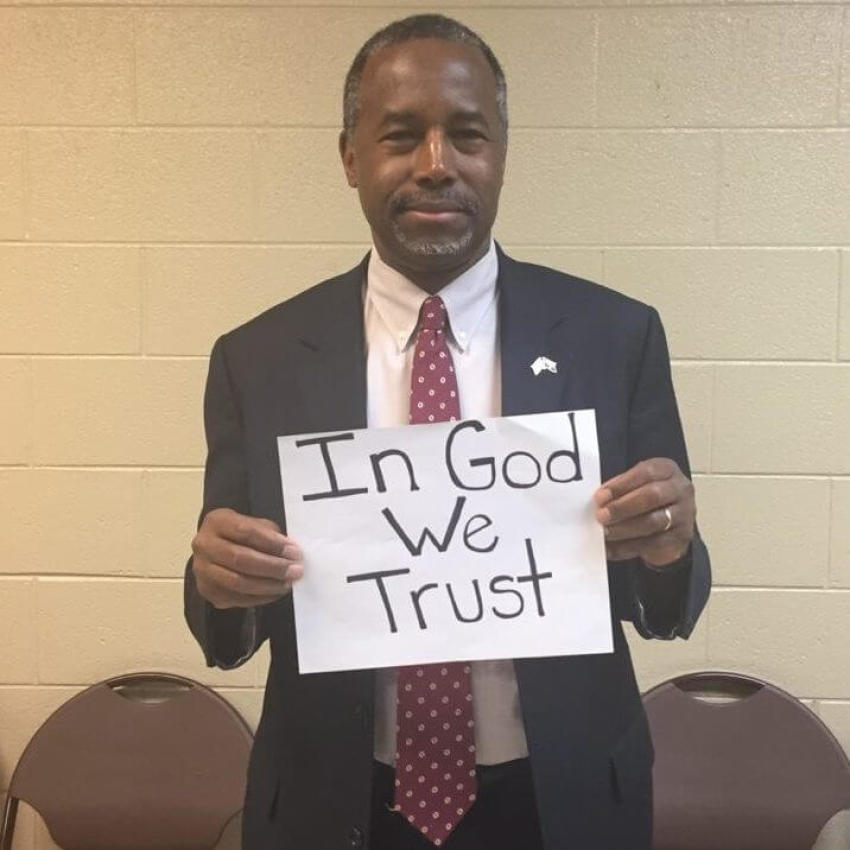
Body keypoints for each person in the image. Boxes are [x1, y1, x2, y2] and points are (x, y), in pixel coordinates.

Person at [184, 13, 710, 850]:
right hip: (337, 800)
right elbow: (225, 623)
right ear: (350, 157)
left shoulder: (615, 336)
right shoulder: (258, 357)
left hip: (561, 798)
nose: (436, 164)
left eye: (468, 135)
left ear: (501, 154)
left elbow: (668, 607)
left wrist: (669, 547)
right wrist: (218, 584)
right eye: (401, 136)